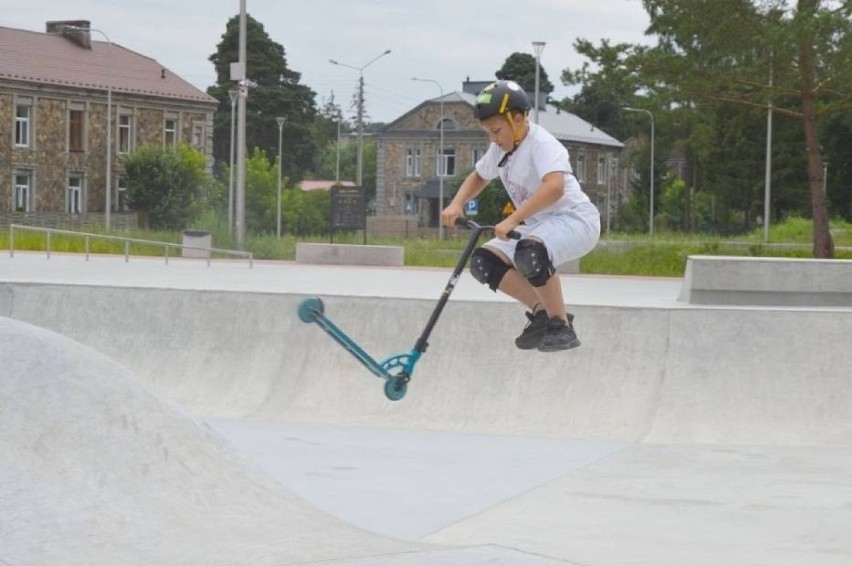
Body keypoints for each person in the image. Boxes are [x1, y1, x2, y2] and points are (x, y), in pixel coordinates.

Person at [441, 80, 600, 352]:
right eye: (488, 132)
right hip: (540, 225)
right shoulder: (501, 148)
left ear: (518, 119)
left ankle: (561, 325)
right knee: (484, 262)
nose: (493, 138)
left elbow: (554, 187)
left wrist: (514, 218)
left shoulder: (542, 144)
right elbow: (480, 175)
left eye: (496, 130)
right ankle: (542, 314)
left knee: (531, 252)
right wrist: (456, 204)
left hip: (576, 221)